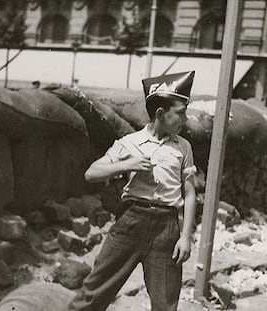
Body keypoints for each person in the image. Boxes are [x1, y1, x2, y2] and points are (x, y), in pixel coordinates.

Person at [69, 71, 197, 311]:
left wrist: (185, 237)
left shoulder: (183, 147)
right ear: (160, 113)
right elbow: (91, 173)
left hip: (166, 230)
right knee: (93, 295)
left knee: (166, 304)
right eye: (180, 113)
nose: (185, 119)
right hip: (130, 223)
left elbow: (189, 194)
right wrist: (127, 164)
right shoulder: (130, 143)